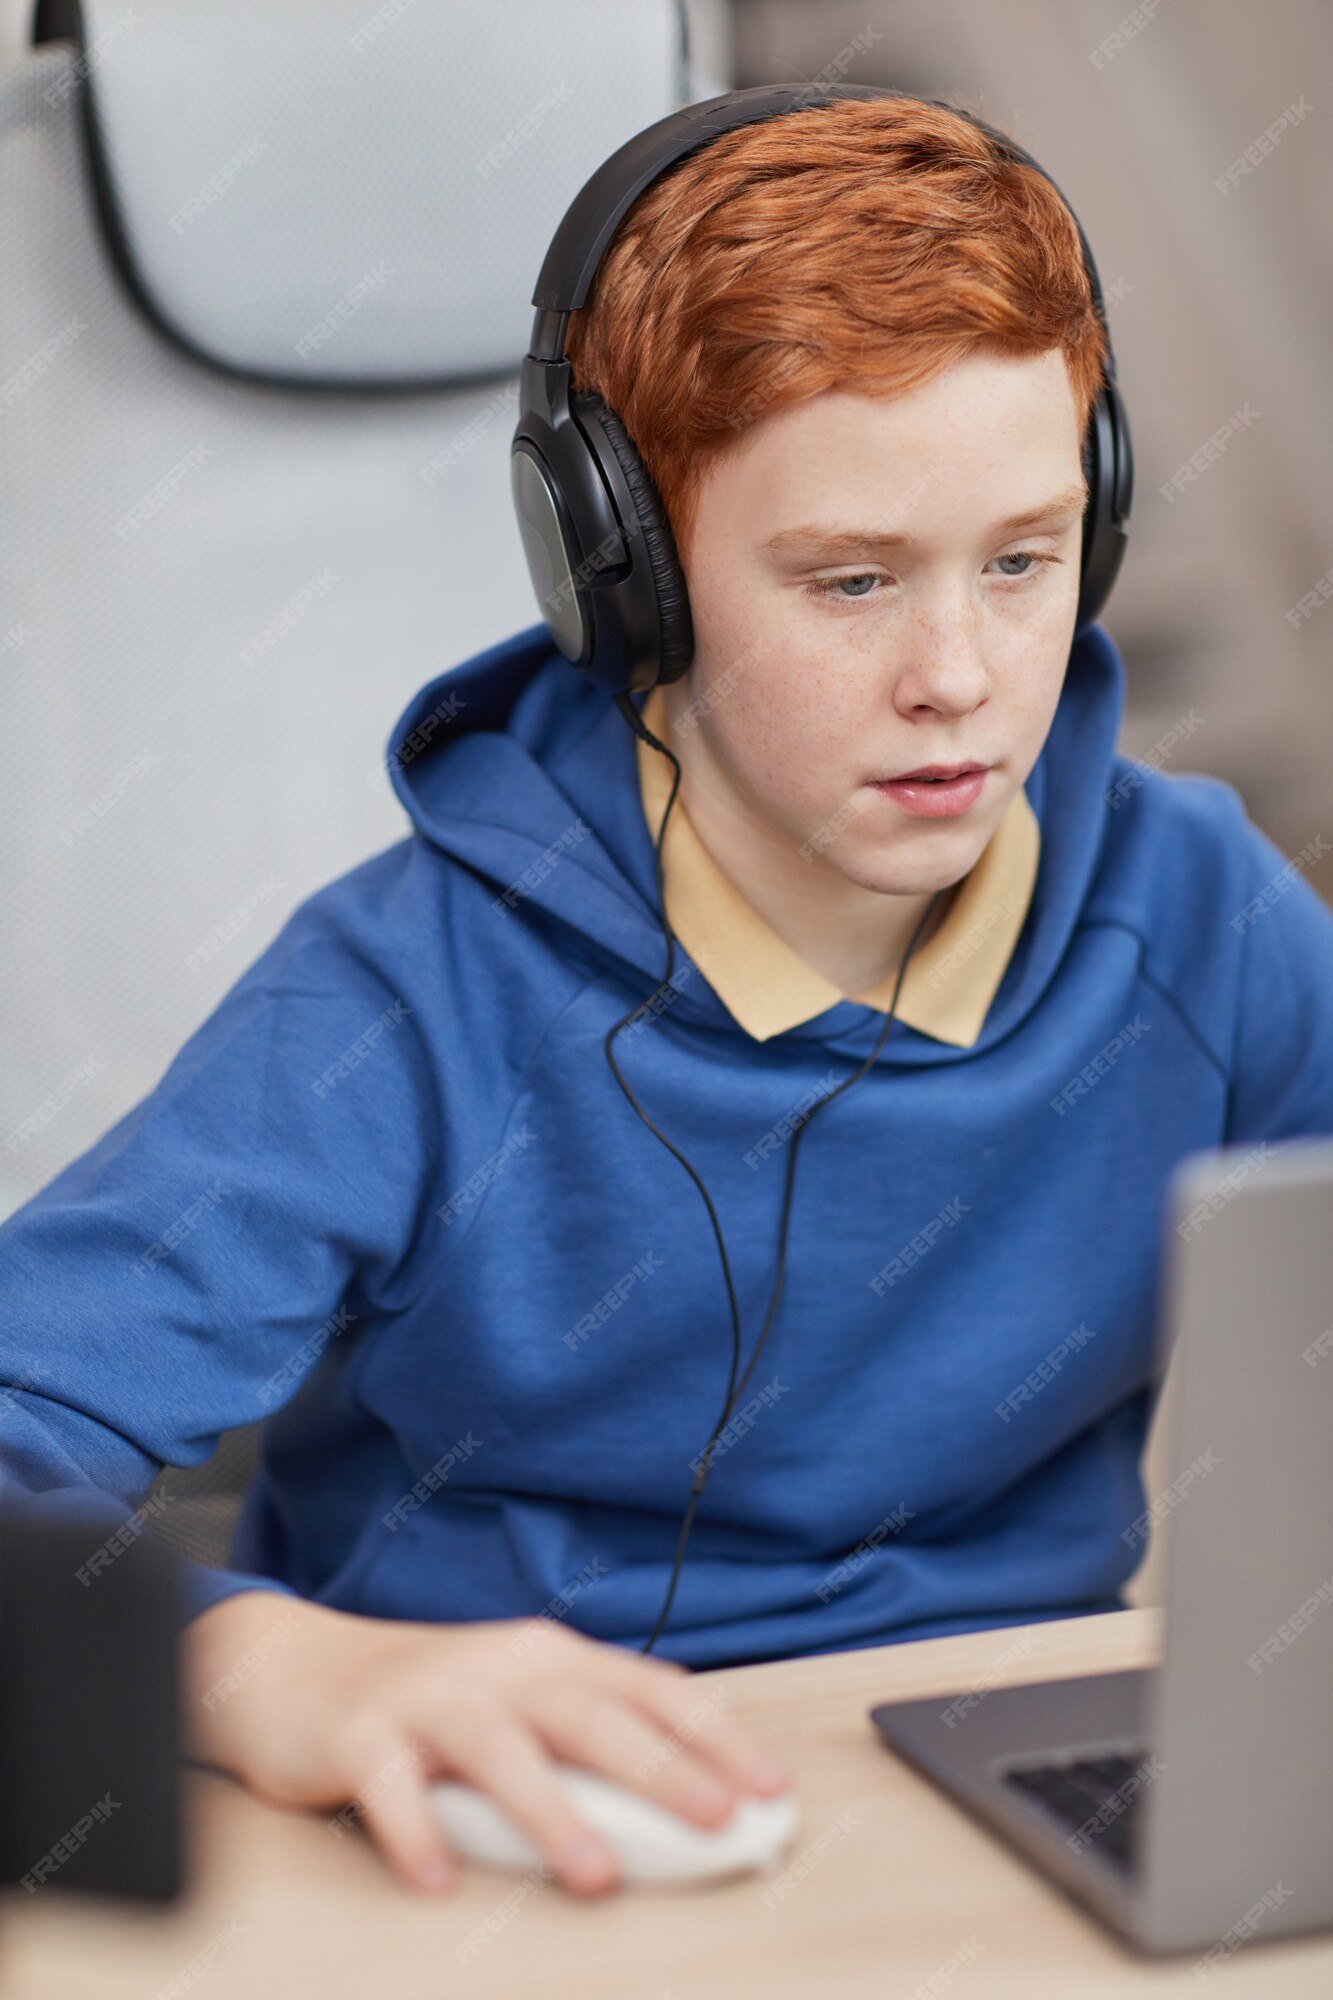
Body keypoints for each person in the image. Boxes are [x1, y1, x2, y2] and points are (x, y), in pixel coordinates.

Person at [3, 92, 1332, 1903]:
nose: (960, 679)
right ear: (623, 574)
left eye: (1022, 562)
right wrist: (264, 1665)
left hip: (1000, 1810)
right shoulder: (404, 995)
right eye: (849, 581)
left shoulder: (1208, 923)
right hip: (494, 1840)